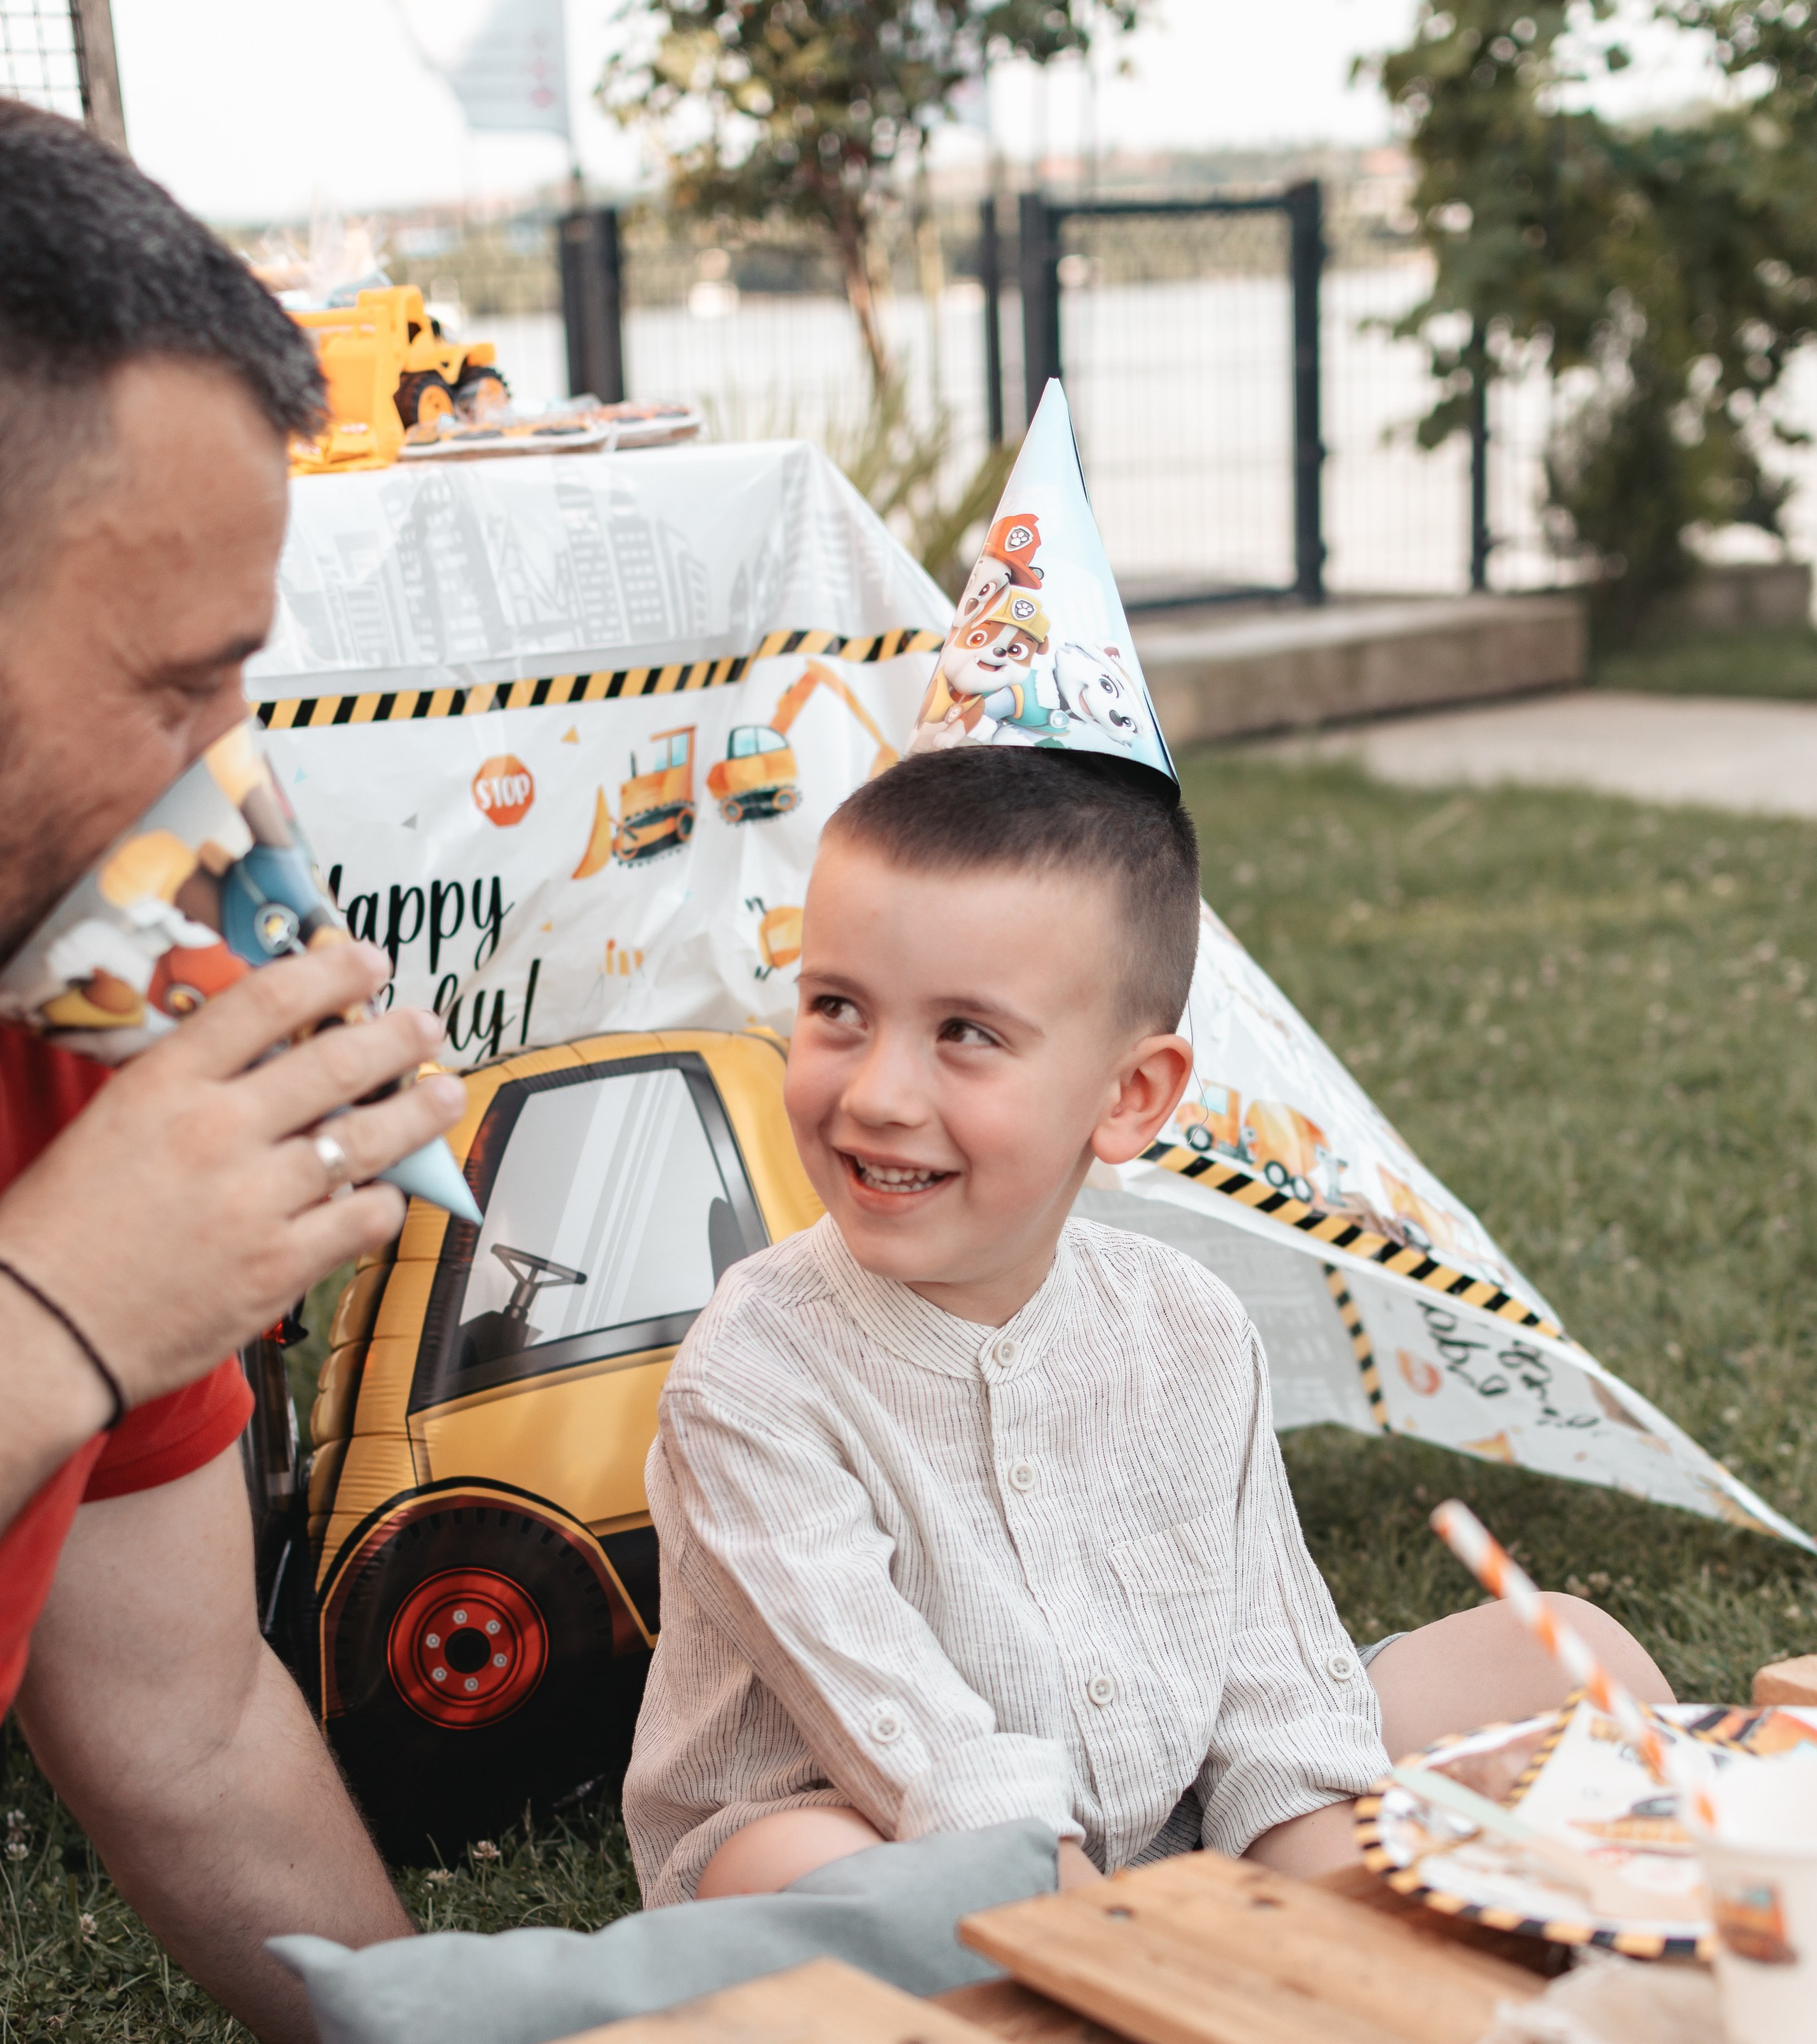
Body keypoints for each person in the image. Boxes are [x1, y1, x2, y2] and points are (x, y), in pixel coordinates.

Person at [0, 100, 504, 2044]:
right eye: (175, 686)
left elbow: (181, 1719)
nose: (235, 789)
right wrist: (62, 1314)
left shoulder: (61, 1028)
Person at [622, 748, 1672, 1906]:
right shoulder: (754, 1373)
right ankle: (1097, 1997)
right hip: (878, 1823)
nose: (877, 1092)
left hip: (1164, 1811)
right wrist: (1119, 1944)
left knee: (1566, 1650)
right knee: (799, 1868)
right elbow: (921, 1755)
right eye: (838, 1010)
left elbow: (1273, 1693)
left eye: (966, 1032)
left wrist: (1327, 1892)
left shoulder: (1190, 1326)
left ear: (1129, 1097)